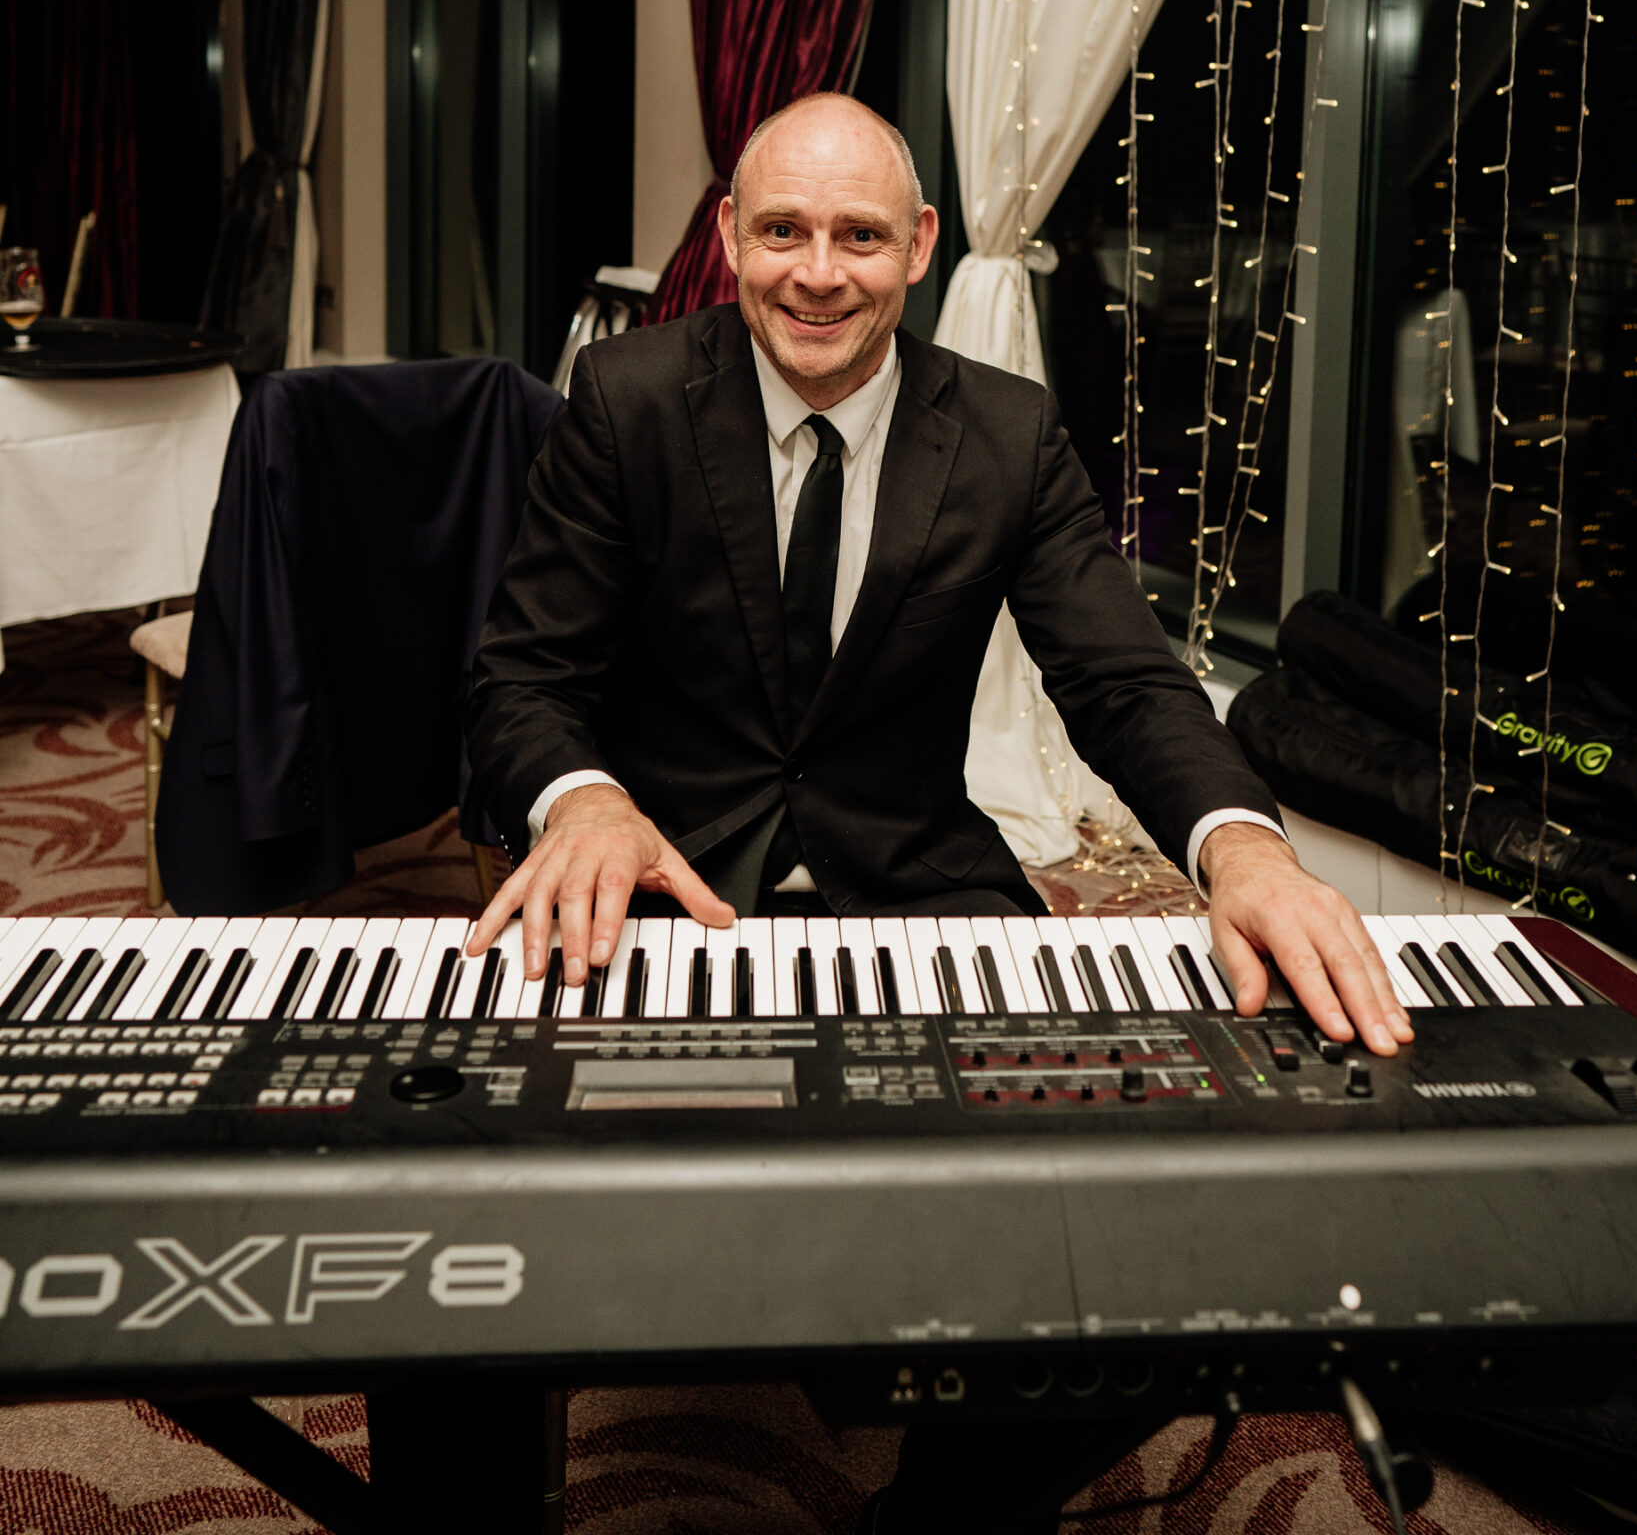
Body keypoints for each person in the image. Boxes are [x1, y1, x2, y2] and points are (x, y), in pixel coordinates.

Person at [464, 90, 1410, 1534]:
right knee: (502, 1207)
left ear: (918, 247)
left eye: (857, 235)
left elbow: (1126, 684)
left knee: (1155, 1220)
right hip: (668, 889)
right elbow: (521, 676)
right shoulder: (629, 400)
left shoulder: (1011, 432)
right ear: (729, 237)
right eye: (781, 230)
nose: (817, 272)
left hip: (919, 888)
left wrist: (1245, 848)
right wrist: (583, 801)